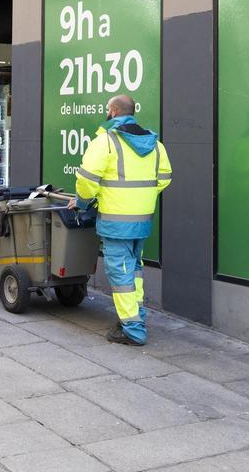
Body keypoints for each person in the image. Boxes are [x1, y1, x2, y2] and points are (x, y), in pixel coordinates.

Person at [74, 94, 171, 346]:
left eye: (108, 109)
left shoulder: (106, 142)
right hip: (142, 221)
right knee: (135, 270)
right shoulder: (155, 144)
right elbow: (164, 179)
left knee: (120, 272)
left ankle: (132, 328)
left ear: (114, 111)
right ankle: (135, 315)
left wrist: (84, 202)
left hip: (116, 221)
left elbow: (86, 180)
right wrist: (141, 199)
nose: (106, 113)